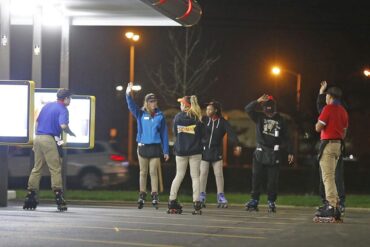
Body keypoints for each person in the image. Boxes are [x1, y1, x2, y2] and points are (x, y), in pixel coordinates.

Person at [23, 88, 76, 211]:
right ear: (66, 99)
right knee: (55, 168)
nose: (70, 100)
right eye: (70, 98)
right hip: (49, 139)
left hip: (39, 138)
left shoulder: (47, 106)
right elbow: (63, 126)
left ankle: (30, 194)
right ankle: (59, 196)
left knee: (37, 168)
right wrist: (71, 133)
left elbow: (37, 123)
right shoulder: (63, 109)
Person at [244, 94, 294, 213]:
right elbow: (248, 109)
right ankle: (254, 200)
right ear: (263, 109)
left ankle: (271, 201)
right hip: (260, 152)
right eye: (267, 112)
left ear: (274, 109)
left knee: (272, 180)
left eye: (271, 112)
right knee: (256, 177)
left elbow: (287, 137)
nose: (269, 114)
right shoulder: (259, 117)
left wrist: (290, 152)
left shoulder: (281, 120)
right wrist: (258, 101)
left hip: (274, 153)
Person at [125, 82, 169, 209]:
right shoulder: (140, 114)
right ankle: (142, 194)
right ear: (147, 103)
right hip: (143, 147)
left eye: (155, 101)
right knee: (143, 172)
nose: (154, 103)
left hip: (155, 148)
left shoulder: (160, 116)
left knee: (153, 172)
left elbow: (164, 134)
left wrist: (165, 151)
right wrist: (128, 93)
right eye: (151, 101)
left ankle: (154, 194)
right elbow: (131, 106)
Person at [314, 85, 348, 220]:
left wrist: (318, 125)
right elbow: (344, 132)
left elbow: (318, 127)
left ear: (330, 96)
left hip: (327, 145)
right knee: (333, 176)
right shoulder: (343, 111)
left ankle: (331, 206)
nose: (326, 98)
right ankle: (336, 204)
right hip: (339, 145)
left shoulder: (328, 108)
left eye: (327, 96)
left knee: (327, 177)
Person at [199, 101, 242, 208]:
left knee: (219, 174)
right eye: (207, 109)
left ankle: (220, 196)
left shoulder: (223, 122)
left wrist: (237, 145)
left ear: (216, 110)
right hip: (204, 151)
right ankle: (201, 195)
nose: (207, 111)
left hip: (216, 152)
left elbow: (231, 134)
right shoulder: (204, 120)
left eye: (210, 109)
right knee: (203, 173)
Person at [168, 95, 203, 214]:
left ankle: (172, 201)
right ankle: (197, 203)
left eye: (181, 103)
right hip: (195, 151)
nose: (180, 105)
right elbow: (201, 135)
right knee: (195, 177)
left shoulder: (178, 117)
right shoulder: (197, 117)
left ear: (185, 105)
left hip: (181, 151)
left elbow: (175, 134)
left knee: (179, 175)